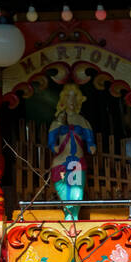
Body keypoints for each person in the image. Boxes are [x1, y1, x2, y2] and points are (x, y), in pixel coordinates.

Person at [48, 83, 97, 218]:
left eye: (75, 97)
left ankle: (71, 223)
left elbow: (89, 138)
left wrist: (91, 146)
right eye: (69, 97)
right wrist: (54, 146)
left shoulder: (82, 121)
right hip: (61, 163)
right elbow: (51, 139)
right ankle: (71, 223)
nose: (72, 100)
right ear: (63, 99)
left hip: (77, 163)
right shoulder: (59, 120)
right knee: (65, 197)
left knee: (76, 196)